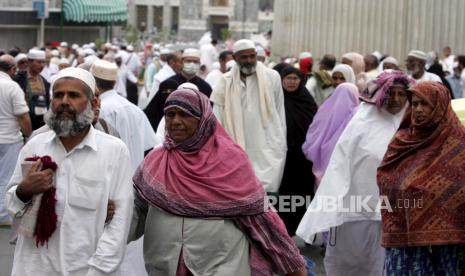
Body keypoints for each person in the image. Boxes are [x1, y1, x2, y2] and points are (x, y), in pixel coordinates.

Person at [129, 88, 307, 276]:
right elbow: (136, 210)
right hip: (165, 266)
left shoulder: (231, 161)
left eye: (184, 115)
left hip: (221, 266)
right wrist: (103, 221)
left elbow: (260, 219)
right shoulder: (156, 160)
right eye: (170, 114)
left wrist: (292, 265)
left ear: (204, 118)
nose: (175, 122)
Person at [5, 67, 134, 275]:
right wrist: (24, 190)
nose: (64, 101)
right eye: (58, 95)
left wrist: (98, 270)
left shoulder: (113, 151)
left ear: (93, 104)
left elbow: (119, 223)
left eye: (74, 95)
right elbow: (12, 205)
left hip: (87, 269)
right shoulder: (35, 145)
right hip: (32, 268)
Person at [297, 70, 414, 276]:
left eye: (402, 94)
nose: (396, 99)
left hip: (394, 212)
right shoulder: (362, 123)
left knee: (384, 267)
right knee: (351, 263)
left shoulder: (412, 126)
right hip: (354, 211)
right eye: (391, 93)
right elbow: (339, 167)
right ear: (381, 95)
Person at [377, 81, 465, 275]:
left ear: (440, 106)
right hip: (403, 232)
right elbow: (385, 176)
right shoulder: (402, 140)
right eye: (415, 104)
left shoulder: (459, 141)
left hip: (451, 240)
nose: (418, 109)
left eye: (425, 104)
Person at [210, 39, 287, 193]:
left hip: (267, 145)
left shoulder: (272, 77)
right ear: (234, 57)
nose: (249, 60)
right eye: (244, 57)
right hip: (236, 146)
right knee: (239, 191)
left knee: (267, 195)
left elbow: (279, 112)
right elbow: (217, 119)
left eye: (252, 56)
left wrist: (280, 141)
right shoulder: (224, 82)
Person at [90, 59, 156, 172]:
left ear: (92, 83)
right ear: (114, 83)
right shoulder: (135, 109)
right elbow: (150, 148)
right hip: (135, 179)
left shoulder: (98, 110)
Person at [278, 66, 318, 236]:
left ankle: (300, 230)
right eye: (288, 78)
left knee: (301, 194)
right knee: (283, 194)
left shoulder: (307, 101)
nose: (292, 82)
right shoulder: (275, 100)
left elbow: (316, 128)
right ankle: (281, 231)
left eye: (295, 78)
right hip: (282, 157)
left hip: (303, 159)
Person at [302, 82, 359, 187]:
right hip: (344, 161)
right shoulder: (358, 115)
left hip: (323, 158)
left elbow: (314, 132)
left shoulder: (325, 108)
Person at [0, 55, 32, 226]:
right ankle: (3, 216)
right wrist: (29, 135)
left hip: (7, 137)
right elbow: (22, 115)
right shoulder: (12, 87)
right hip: (9, 138)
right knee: (6, 177)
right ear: (12, 69)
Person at [13, 49, 50, 130]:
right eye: (39, 62)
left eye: (44, 62)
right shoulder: (19, 79)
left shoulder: (45, 82)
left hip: (41, 124)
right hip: (24, 123)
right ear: (29, 62)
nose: (42, 65)